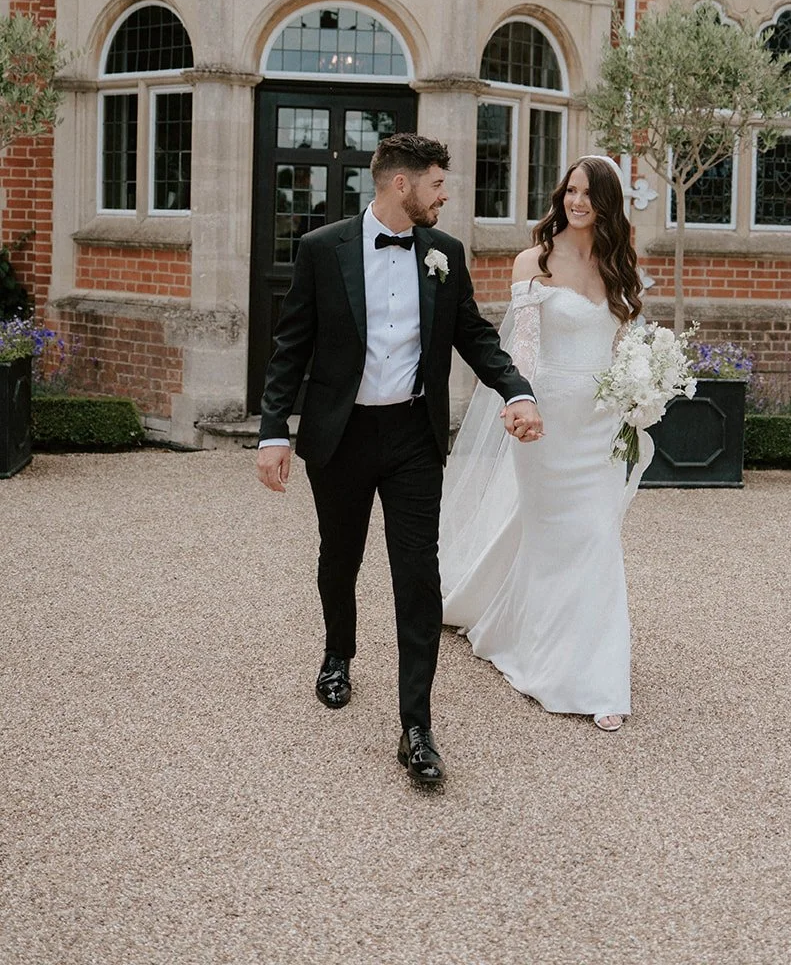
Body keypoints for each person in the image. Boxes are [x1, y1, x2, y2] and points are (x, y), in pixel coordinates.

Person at [255, 133, 542, 787]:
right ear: (401, 185)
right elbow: (290, 349)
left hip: (412, 436)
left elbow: (472, 334)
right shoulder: (320, 250)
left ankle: (416, 727)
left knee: (417, 574)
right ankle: (337, 654)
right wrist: (274, 430)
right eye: (438, 184)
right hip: (341, 434)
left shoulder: (444, 254)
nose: (446, 196)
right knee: (340, 556)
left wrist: (517, 389)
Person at [439, 155, 649, 732]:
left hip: (602, 424)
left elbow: (624, 347)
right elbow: (523, 348)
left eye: (589, 194)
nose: (577, 201)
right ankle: (550, 658)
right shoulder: (533, 260)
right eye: (571, 190)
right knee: (557, 538)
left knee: (598, 537)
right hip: (548, 423)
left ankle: (598, 675)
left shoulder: (618, 265)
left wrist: (641, 393)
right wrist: (519, 401)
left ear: (608, 204)